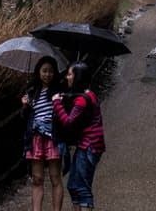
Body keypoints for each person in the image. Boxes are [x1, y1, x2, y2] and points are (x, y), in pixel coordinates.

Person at [53, 62, 105, 210]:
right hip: (86, 145)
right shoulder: (87, 94)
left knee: (82, 188)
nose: (67, 77)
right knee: (73, 186)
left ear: (78, 77)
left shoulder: (83, 99)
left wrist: (57, 103)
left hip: (89, 146)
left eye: (70, 74)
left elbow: (68, 122)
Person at [21, 57, 66, 211]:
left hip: (53, 137)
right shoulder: (32, 91)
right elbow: (25, 118)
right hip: (35, 137)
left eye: (51, 71)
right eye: (44, 71)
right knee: (37, 179)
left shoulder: (59, 91)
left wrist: (60, 102)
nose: (47, 74)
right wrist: (25, 106)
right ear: (38, 72)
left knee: (55, 178)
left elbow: (63, 115)